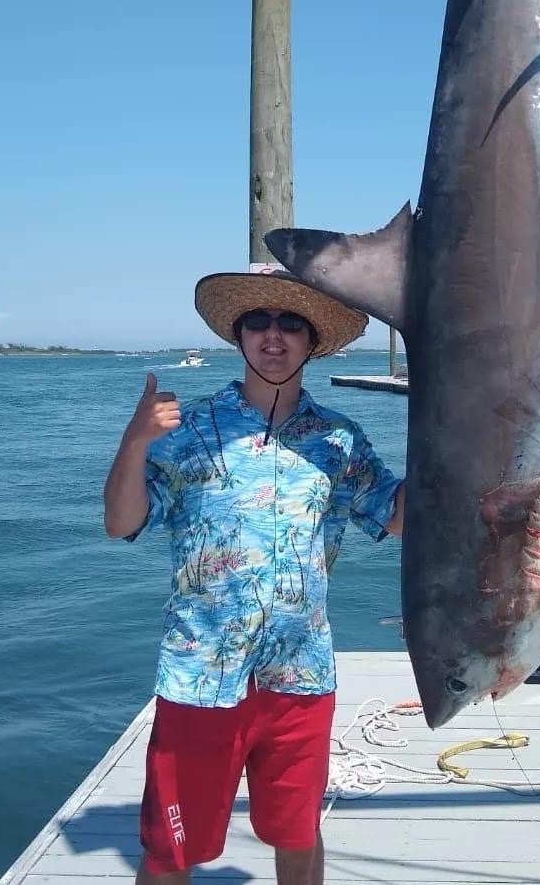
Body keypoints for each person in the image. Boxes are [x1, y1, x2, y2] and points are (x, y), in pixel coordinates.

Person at [103, 265, 404, 885]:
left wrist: (458, 440)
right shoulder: (188, 429)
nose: (273, 335)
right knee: (171, 849)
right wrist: (133, 442)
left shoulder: (340, 440)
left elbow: (397, 516)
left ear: (311, 341)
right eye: (257, 321)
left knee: (298, 834)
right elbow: (121, 521)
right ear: (238, 335)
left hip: (301, 673)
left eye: (291, 322)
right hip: (200, 675)